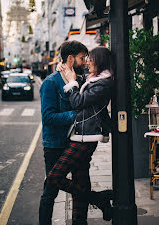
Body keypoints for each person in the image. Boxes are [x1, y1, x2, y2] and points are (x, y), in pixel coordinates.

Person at [45, 46, 114, 223]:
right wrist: (66, 69)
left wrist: (70, 82)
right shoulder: (94, 79)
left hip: (86, 138)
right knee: (81, 180)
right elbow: (80, 81)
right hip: (81, 135)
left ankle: (99, 198)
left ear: (100, 61)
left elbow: (77, 101)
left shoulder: (103, 83)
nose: (87, 62)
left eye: (90, 58)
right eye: (85, 58)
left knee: (53, 178)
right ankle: (82, 218)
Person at [39, 41, 88, 225]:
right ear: (70, 59)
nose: (85, 62)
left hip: (76, 143)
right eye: (82, 58)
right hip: (55, 145)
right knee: (50, 190)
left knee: (81, 185)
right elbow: (48, 118)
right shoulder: (51, 83)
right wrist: (76, 115)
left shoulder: (80, 80)